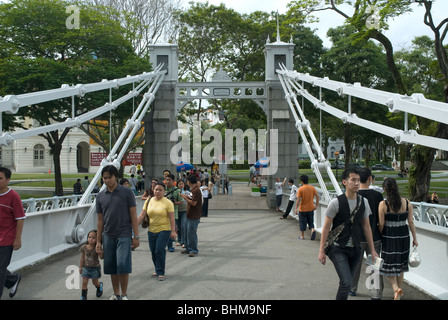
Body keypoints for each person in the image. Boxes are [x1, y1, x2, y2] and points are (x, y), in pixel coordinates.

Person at [318, 168, 379, 300]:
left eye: (358, 180)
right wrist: (321, 250)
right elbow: (326, 227)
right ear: (345, 182)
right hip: (338, 248)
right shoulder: (335, 203)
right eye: (353, 180)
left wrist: (372, 250)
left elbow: (367, 227)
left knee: (348, 283)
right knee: (346, 282)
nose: (356, 183)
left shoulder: (364, 202)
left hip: (356, 249)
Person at [96, 165, 140, 300]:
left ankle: (124, 294)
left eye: (110, 177)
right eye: (105, 178)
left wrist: (136, 236)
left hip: (124, 233)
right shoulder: (100, 196)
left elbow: (133, 215)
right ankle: (116, 293)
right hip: (108, 235)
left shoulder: (127, 193)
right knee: (111, 265)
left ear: (116, 177)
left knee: (122, 264)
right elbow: (100, 221)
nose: (107, 180)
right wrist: (98, 241)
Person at [379, 177, 418, 300]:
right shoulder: (407, 202)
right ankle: (397, 295)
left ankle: (396, 288)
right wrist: (415, 239)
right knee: (401, 264)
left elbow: (381, 224)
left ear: (385, 189)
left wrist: (380, 234)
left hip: (389, 236)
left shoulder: (383, 204)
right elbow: (411, 222)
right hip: (404, 235)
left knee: (389, 264)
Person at [350, 167, 384, 299]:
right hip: (374, 237)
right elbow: (381, 218)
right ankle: (375, 293)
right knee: (374, 266)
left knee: (355, 265)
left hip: (357, 238)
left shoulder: (353, 195)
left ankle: (352, 288)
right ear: (370, 179)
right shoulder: (377, 196)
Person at [138, 182, 176, 281]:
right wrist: (133, 226)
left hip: (164, 230)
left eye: (160, 190)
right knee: (153, 251)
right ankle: (157, 268)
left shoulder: (168, 202)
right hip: (151, 230)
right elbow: (142, 215)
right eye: (156, 189)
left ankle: (161, 271)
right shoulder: (149, 200)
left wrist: (173, 231)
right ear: (153, 190)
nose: (157, 191)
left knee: (159, 250)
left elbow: (172, 218)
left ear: (164, 191)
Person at [0, 167, 25, 299]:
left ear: (8, 180)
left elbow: (20, 218)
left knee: (0, 269)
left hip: (6, 239)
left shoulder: (13, 196)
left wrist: (17, 239)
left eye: (0, 178)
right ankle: (12, 280)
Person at [179, 174, 202, 257]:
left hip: (194, 216)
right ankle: (188, 248)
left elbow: (193, 203)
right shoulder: (192, 190)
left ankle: (193, 249)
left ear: (189, 181)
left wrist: (184, 197)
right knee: (186, 232)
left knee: (191, 233)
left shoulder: (196, 191)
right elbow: (190, 199)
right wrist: (185, 196)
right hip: (189, 215)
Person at [79, 230, 103, 300]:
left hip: (95, 268)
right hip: (86, 267)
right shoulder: (84, 247)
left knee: (95, 282)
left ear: (97, 239)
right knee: (85, 280)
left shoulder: (97, 248)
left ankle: (99, 286)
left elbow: (101, 257)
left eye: (93, 238)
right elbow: (82, 257)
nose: (91, 239)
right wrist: (80, 267)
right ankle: (83, 296)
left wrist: (100, 253)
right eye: (89, 237)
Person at [295, 175, 319, 240]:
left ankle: (302, 236)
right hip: (311, 208)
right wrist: (316, 205)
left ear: (302, 181)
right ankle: (313, 230)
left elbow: (298, 199)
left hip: (302, 209)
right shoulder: (312, 188)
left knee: (302, 222)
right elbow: (317, 196)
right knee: (311, 222)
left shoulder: (300, 189)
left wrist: (296, 208)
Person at [164, 174, 182, 252]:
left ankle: (170, 245)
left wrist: (174, 202)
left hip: (173, 213)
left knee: (172, 230)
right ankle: (164, 244)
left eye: (169, 180)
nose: (167, 182)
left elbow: (181, 201)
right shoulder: (163, 189)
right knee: (164, 230)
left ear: (173, 181)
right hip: (163, 213)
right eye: (166, 180)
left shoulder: (177, 190)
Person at [176, 180, 188, 248]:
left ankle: (183, 242)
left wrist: (184, 196)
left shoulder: (186, 192)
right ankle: (179, 241)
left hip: (184, 211)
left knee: (183, 226)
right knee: (178, 227)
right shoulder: (176, 192)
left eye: (182, 184)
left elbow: (190, 199)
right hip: (177, 211)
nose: (181, 185)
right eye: (179, 184)